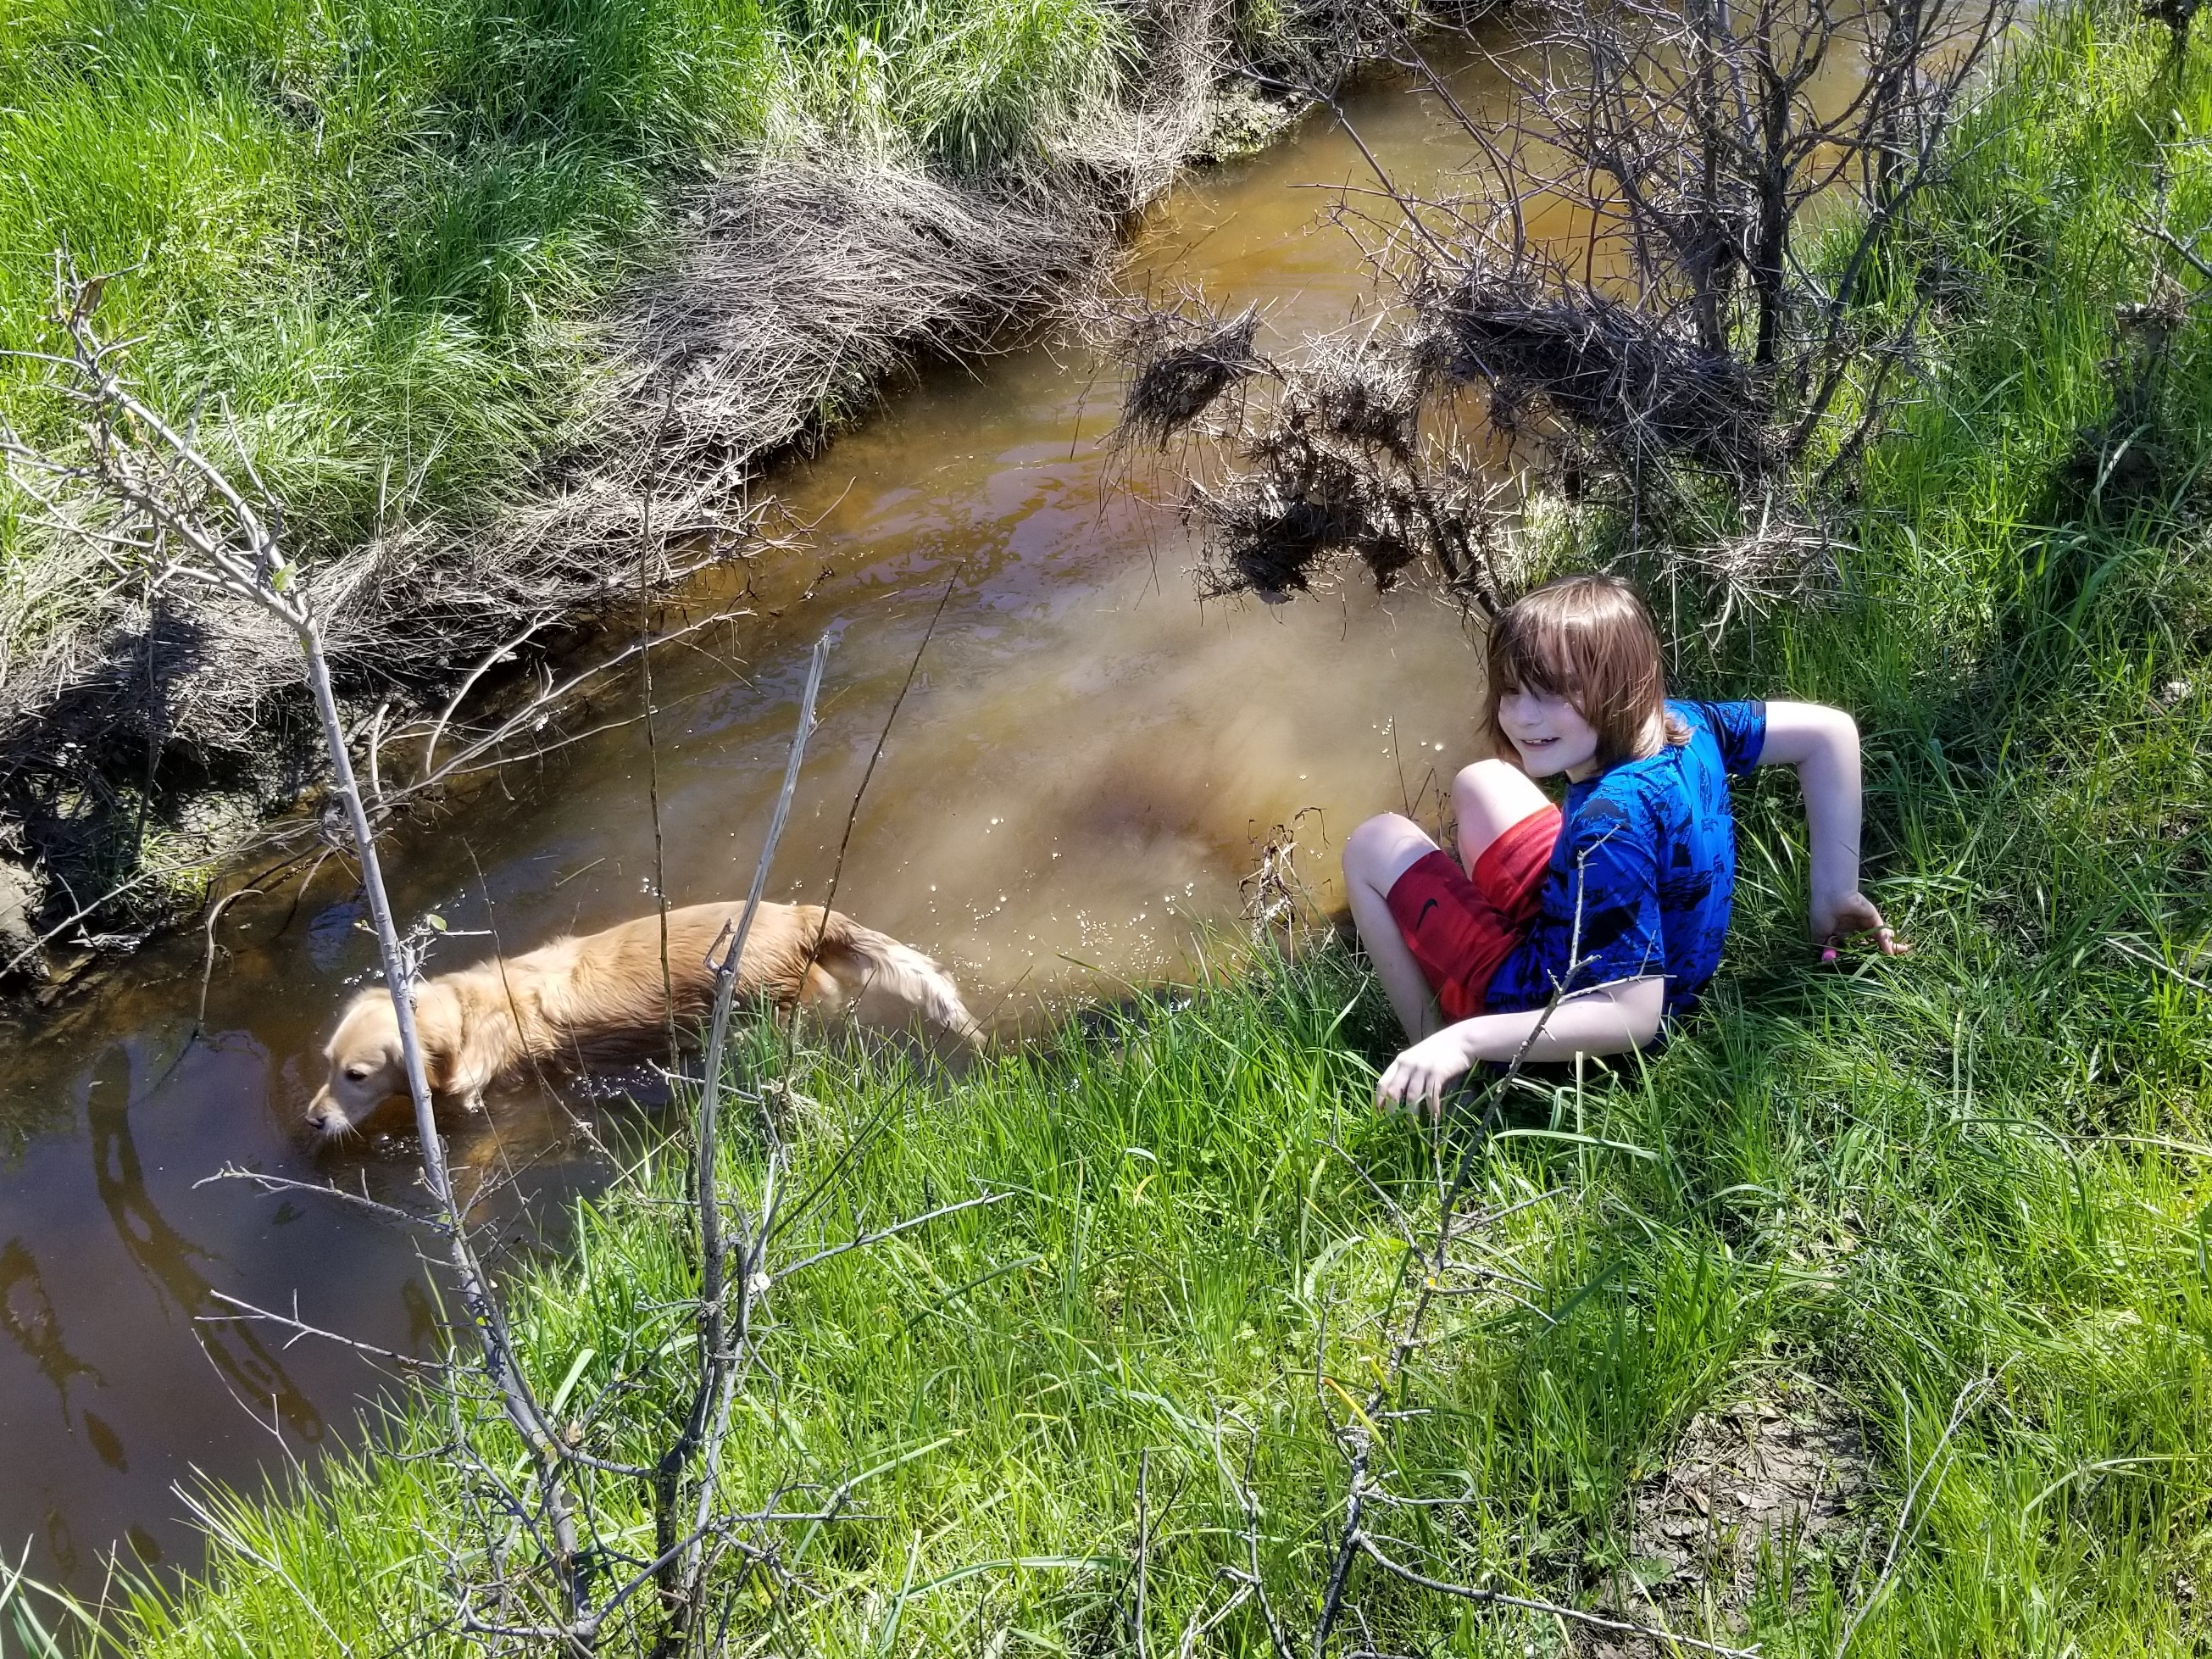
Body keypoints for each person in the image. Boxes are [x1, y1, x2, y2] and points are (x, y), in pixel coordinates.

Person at [1342, 573, 1906, 1116]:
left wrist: (1465, 1041)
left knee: (1373, 843)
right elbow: (1829, 733)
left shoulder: (1608, 824)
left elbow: (1633, 1015)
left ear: (1617, 684)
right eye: (1511, 690)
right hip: (1634, 946)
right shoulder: (1685, 723)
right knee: (1482, 780)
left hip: (1569, 1025)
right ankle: (1474, 988)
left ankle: (1442, 1072)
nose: (1519, 716)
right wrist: (1835, 892)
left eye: (1552, 692)